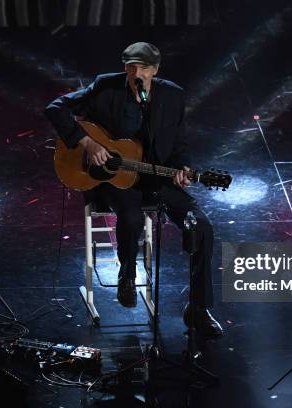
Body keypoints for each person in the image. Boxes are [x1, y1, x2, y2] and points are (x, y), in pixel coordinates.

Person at [45, 42, 222, 338]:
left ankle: (199, 308)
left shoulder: (172, 95)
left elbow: (179, 145)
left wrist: (182, 170)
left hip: (157, 178)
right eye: (131, 66)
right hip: (116, 179)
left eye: (143, 68)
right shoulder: (105, 86)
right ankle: (127, 275)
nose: (136, 73)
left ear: (155, 70)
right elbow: (55, 108)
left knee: (201, 226)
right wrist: (87, 142)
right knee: (131, 217)